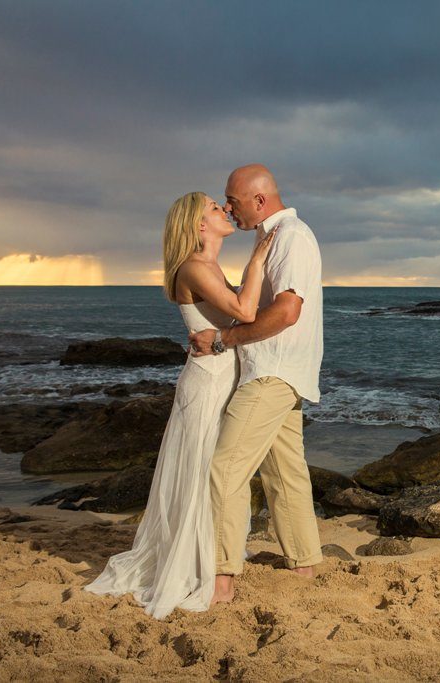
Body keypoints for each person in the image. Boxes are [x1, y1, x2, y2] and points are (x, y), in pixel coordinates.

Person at [85, 192, 274, 619]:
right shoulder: (193, 267)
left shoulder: (207, 267)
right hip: (207, 385)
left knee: (211, 469)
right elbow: (244, 311)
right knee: (203, 470)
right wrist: (258, 261)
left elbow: (232, 315)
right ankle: (200, 565)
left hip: (219, 378)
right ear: (198, 225)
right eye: (213, 207)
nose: (224, 210)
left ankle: (209, 558)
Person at [189, 164, 324, 605]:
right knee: (284, 473)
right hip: (277, 371)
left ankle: (222, 577)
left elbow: (287, 312)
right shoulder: (274, 238)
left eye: (233, 199)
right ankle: (304, 565)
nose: (228, 206)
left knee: (224, 471)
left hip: (272, 372)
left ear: (259, 201)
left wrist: (223, 340)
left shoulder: (292, 236)